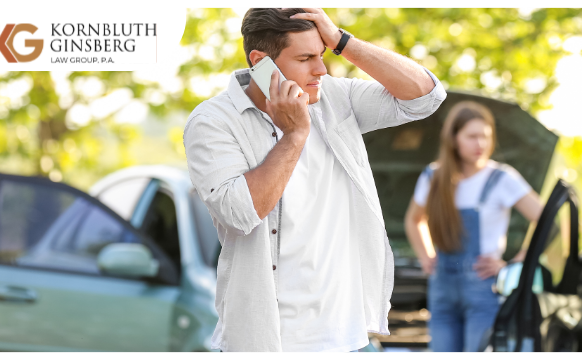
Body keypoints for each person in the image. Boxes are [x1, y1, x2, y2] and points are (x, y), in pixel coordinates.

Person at [183, 8, 447, 352]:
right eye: (306, 58)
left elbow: (425, 97)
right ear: (260, 62)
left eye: (322, 55)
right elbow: (240, 214)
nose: (321, 69)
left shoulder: (334, 97)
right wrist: (294, 135)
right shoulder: (213, 121)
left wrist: (342, 41)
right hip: (271, 341)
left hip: (351, 339)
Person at [404, 101, 543, 352]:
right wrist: (426, 257)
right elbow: (414, 220)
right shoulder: (433, 176)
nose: (480, 144)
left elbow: (547, 222)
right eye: (472, 136)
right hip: (442, 289)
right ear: (453, 139)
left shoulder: (502, 178)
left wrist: (514, 264)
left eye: (485, 136)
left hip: (483, 290)